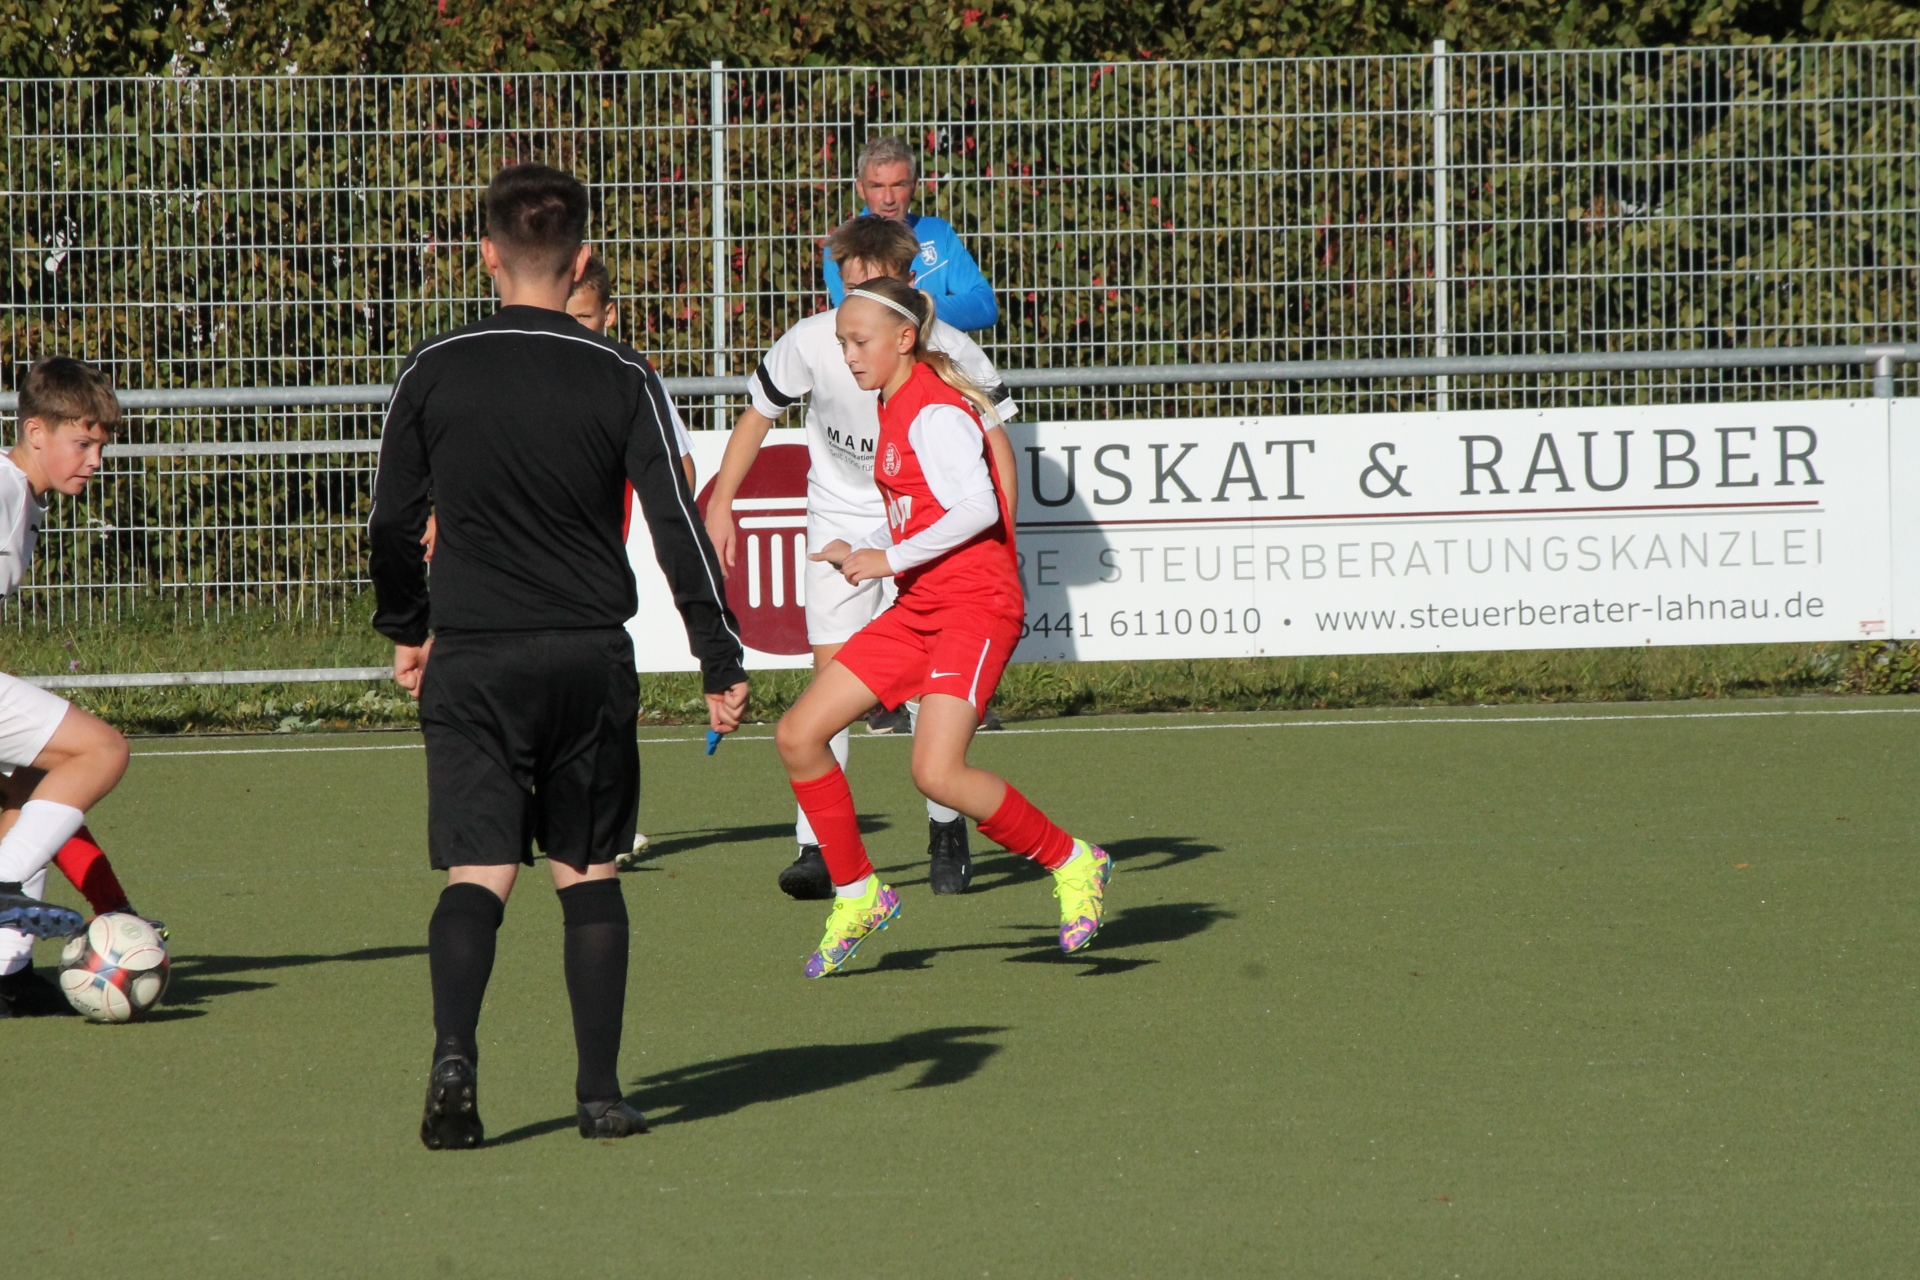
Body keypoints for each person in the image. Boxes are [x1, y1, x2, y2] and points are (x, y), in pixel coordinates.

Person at [369, 163, 748, 1148]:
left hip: (474, 655)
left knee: (477, 870)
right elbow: (678, 523)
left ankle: (456, 1054)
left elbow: (391, 519)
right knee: (588, 871)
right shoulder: (623, 373)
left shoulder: (434, 365)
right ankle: (599, 1093)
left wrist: (408, 624)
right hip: (586, 657)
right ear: (581, 260)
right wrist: (718, 657)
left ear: (485, 256)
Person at [772, 275, 1109, 978]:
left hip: (976, 609)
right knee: (799, 735)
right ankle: (859, 893)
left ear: (904, 339)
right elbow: (920, 513)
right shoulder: (892, 402)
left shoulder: (932, 409)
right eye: (841, 343)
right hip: (920, 607)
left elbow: (979, 508)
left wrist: (886, 557)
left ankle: (1074, 860)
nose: (848, 355)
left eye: (860, 342)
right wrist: (863, 544)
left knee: (936, 771)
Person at [706, 216, 1017, 902]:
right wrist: (722, 501)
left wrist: (1005, 539)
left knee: (932, 688)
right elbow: (758, 413)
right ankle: (819, 847)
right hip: (840, 521)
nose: (859, 310)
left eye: (877, 288)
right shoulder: (814, 339)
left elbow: (996, 443)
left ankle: (946, 829)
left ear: (907, 288)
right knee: (831, 682)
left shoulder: (949, 348)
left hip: (928, 526)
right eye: (850, 288)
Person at [0, 357, 145, 1016]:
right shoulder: (4, 491)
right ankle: (4, 888)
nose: (95, 460)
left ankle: (7, 974)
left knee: (27, 793)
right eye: (82, 443)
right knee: (102, 750)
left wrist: (113, 904)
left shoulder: (21, 496)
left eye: (100, 446)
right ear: (36, 432)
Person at [822, 136, 998, 332]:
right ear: (861, 189)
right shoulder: (844, 243)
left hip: (934, 351)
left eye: (898, 185)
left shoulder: (938, 233)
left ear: (914, 185)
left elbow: (985, 307)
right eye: (877, 186)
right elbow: (855, 320)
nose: (888, 199)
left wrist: (919, 306)